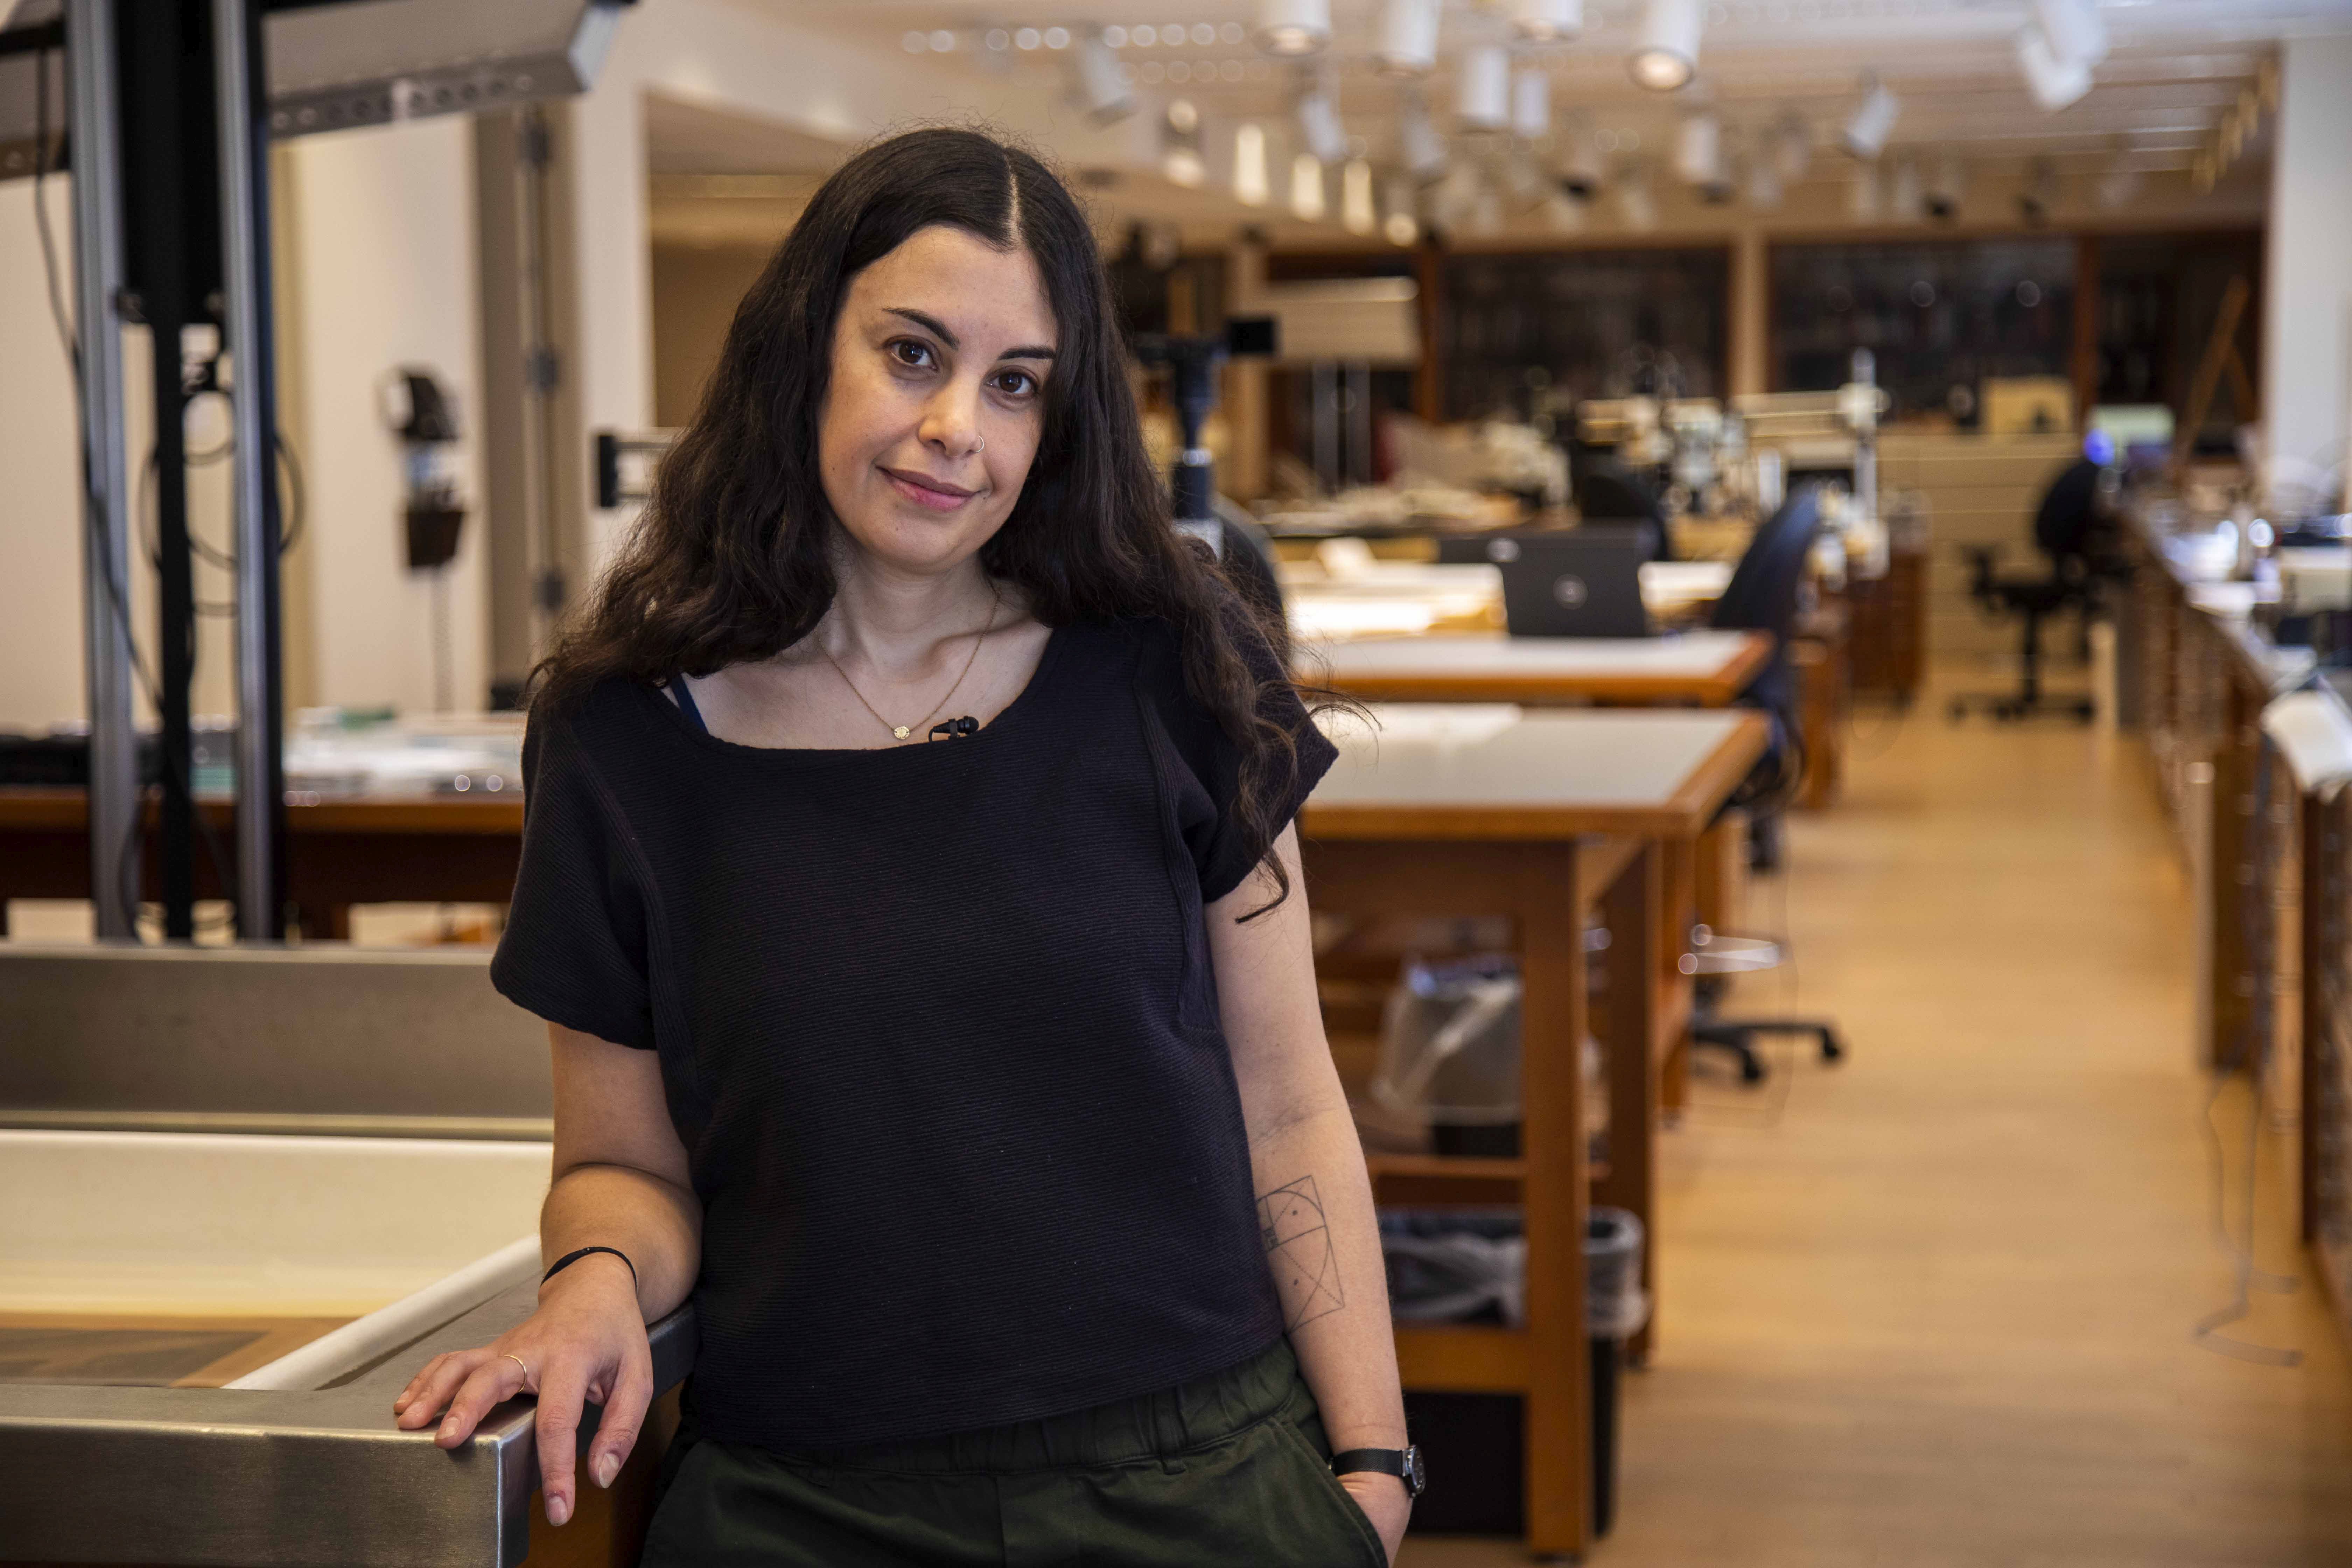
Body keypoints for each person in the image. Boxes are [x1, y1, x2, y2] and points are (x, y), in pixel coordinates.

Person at [393, 126, 1415, 1566]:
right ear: (807, 347)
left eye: (1016, 386)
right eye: (915, 355)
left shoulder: (1180, 669)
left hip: (1196, 1477)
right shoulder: (623, 740)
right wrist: (596, 1283)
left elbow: (1292, 1099)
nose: (961, 431)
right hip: (800, 1501)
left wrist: (1371, 1471)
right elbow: (625, 1162)